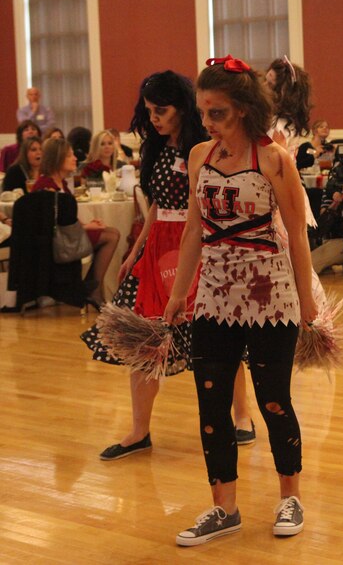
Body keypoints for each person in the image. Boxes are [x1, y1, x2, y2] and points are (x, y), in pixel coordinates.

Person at [164, 55, 317, 547]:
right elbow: (192, 231)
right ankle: (223, 508)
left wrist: (307, 298)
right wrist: (177, 294)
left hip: (271, 294)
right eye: (203, 112)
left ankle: (289, 496)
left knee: (274, 400)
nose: (207, 122)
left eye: (218, 113)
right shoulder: (198, 158)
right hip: (213, 295)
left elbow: (296, 233)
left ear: (245, 110)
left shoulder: (275, 158)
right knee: (211, 403)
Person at [80, 71, 257, 461]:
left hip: (199, 248)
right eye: (150, 112)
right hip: (159, 246)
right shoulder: (157, 148)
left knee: (218, 338)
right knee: (142, 341)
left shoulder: (205, 147)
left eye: (162, 110)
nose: (155, 118)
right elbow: (158, 205)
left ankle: (242, 415)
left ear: (182, 109)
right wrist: (135, 252)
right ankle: (139, 430)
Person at [33, 138, 120, 309]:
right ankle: (94, 289)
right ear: (58, 159)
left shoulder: (61, 183)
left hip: (68, 234)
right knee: (111, 235)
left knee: (111, 233)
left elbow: (67, 216)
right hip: (59, 240)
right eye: (70, 155)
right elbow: (52, 223)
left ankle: (91, 286)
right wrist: (87, 227)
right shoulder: (45, 186)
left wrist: (88, 224)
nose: (75, 159)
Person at [265, 56, 313, 160]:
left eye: (269, 84)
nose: (263, 86)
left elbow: (275, 165)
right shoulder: (280, 122)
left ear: (283, 93)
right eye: (265, 80)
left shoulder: (278, 126)